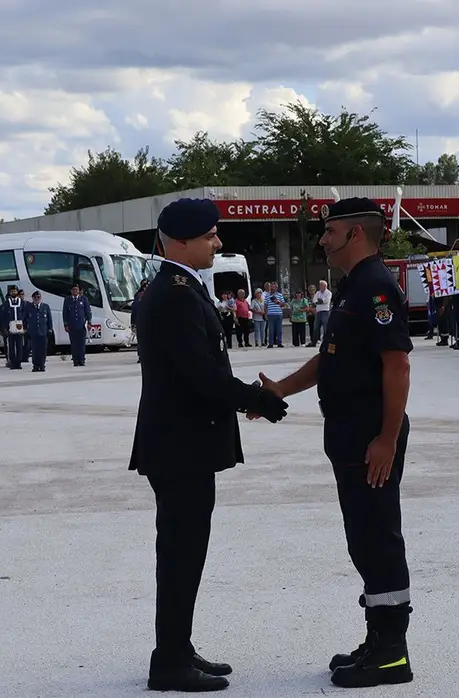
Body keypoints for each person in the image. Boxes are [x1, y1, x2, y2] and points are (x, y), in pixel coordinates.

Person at [254, 198, 414, 689]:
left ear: (356, 235)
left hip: (371, 437)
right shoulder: (352, 288)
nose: (322, 239)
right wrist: (280, 388)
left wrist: (386, 438)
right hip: (348, 433)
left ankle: (392, 653)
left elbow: (397, 366)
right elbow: (329, 359)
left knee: (378, 537)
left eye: (330, 231)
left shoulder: (378, 289)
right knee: (361, 538)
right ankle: (376, 638)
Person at [130, 197, 288, 693]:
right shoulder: (175, 294)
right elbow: (201, 374)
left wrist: (248, 397)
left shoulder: (179, 288)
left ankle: (175, 647)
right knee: (181, 553)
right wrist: (258, 397)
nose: (218, 244)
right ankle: (170, 663)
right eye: (210, 236)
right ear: (179, 241)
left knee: (185, 552)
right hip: (181, 446)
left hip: (183, 443)